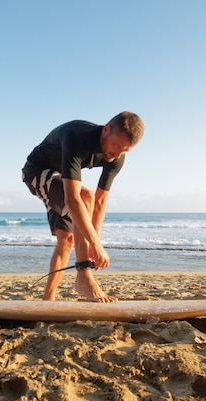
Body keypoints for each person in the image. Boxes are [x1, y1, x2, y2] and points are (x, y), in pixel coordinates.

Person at [22, 111, 144, 302]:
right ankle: (84, 276)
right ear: (106, 130)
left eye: (125, 151)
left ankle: (48, 301)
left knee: (67, 238)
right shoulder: (77, 137)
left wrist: (93, 240)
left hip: (59, 179)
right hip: (35, 172)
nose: (118, 154)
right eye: (116, 146)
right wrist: (95, 245)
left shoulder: (117, 157)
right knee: (85, 196)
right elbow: (73, 198)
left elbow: (101, 201)